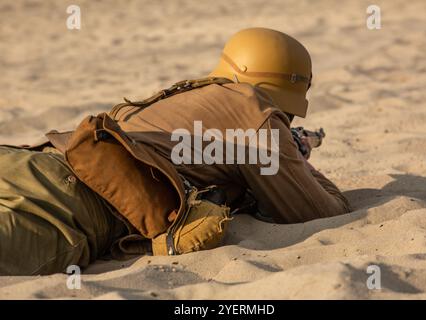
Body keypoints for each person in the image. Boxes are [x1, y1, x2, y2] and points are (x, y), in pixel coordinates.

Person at [0, 27, 350, 275]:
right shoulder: (254, 110)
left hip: (32, 160)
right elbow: (318, 211)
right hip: (71, 206)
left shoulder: (183, 95)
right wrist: (298, 155)